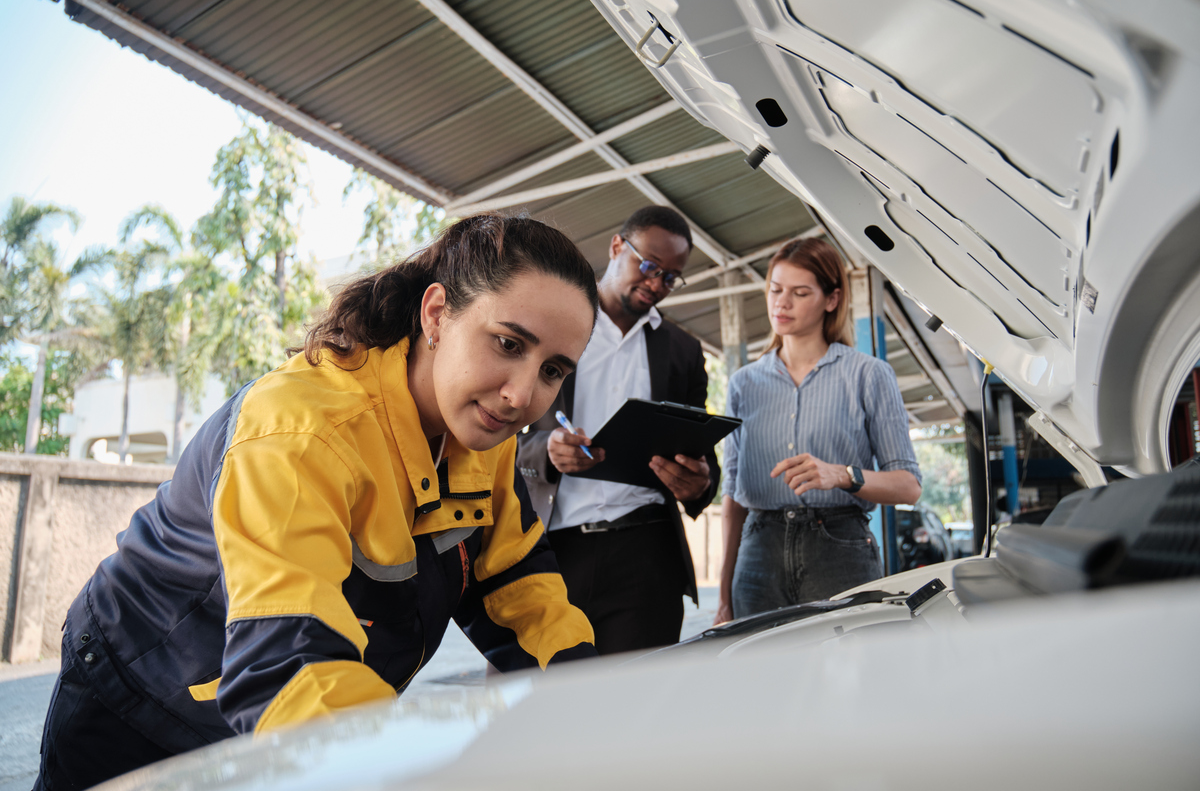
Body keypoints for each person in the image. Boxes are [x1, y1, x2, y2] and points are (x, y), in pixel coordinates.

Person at [34, 215, 601, 791]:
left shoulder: (486, 437)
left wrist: (591, 699)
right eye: (508, 344)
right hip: (141, 696)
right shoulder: (300, 432)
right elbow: (291, 660)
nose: (521, 395)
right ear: (436, 315)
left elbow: (515, 581)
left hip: (288, 719)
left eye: (552, 371)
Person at [517, 206, 719, 655]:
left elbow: (703, 459)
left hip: (647, 558)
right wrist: (546, 450)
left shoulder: (683, 353)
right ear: (615, 247)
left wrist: (700, 482)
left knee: (635, 712)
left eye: (671, 277)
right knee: (544, 703)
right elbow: (499, 434)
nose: (656, 283)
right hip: (555, 551)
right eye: (648, 266)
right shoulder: (553, 326)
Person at [714, 237, 921, 625]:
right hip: (759, 549)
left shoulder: (868, 374)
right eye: (775, 290)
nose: (782, 302)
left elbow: (908, 486)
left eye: (800, 292)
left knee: (844, 676)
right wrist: (724, 598)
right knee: (761, 676)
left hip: (840, 547)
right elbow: (733, 497)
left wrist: (842, 475)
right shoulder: (743, 383)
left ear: (831, 299)